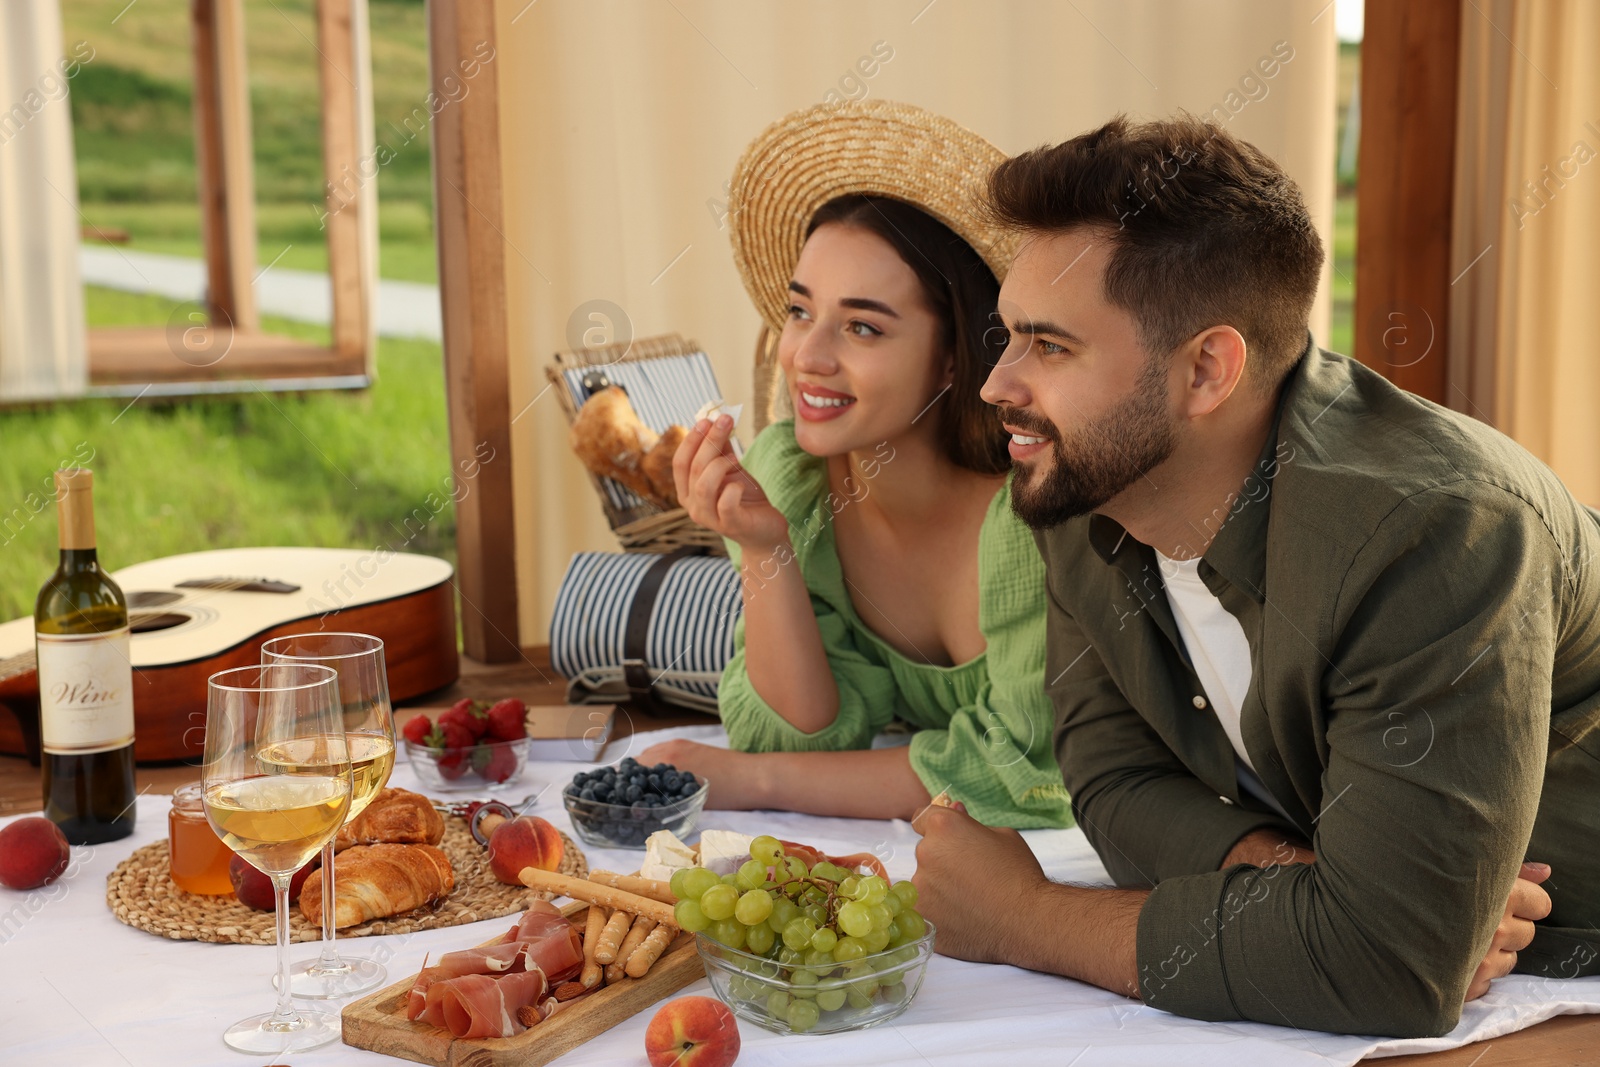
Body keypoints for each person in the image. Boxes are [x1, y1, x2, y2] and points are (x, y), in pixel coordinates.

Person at [912, 113, 1600, 1038]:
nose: (999, 385)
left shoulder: (1434, 528)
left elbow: (1389, 967)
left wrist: (1024, 919)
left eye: (1052, 345)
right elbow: (1114, 779)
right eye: (1007, 337)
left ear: (1207, 370)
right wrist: (1304, 887)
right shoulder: (1086, 485)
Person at [638, 101, 1071, 828]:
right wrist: (762, 546)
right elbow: (796, 733)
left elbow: (1026, 776)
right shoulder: (794, 476)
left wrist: (750, 780)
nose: (807, 356)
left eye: (863, 326)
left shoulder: (1032, 509)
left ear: (955, 357)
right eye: (801, 311)